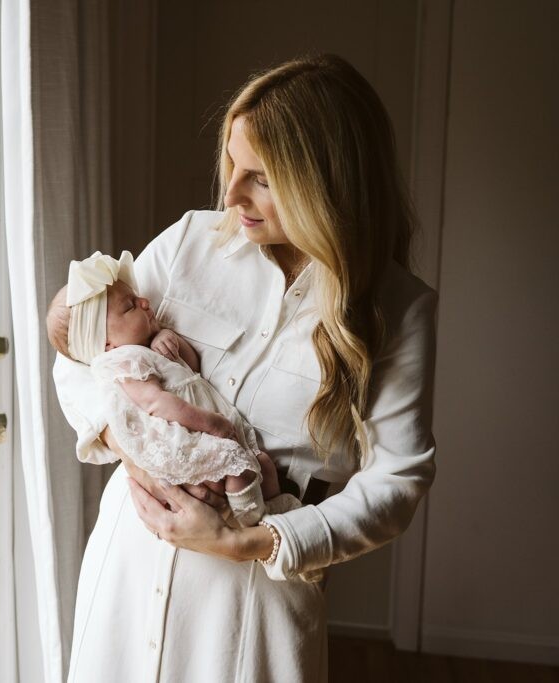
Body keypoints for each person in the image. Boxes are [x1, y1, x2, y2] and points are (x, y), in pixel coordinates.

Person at [53, 52, 438, 682]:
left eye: (260, 176)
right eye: (233, 164)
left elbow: (397, 484)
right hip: (127, 569)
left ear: (327, 183)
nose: (230, 193)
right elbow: (79, 354)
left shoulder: (399, 310)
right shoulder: (187, 245)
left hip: (251, 605)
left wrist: (247, 543)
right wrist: (134, 442)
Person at [44, 250, 285, 527]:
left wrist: (168, 339)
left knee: (261, 464)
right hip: (188, 433)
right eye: (130, 306)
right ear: (105, 343)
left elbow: (191, 368)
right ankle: (251, 524)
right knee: (239, 470)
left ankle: (272, 518)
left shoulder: (144, 348)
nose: (145, 302)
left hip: (211, 426)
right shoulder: (123, 362)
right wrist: (209, 423)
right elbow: (157, 404)